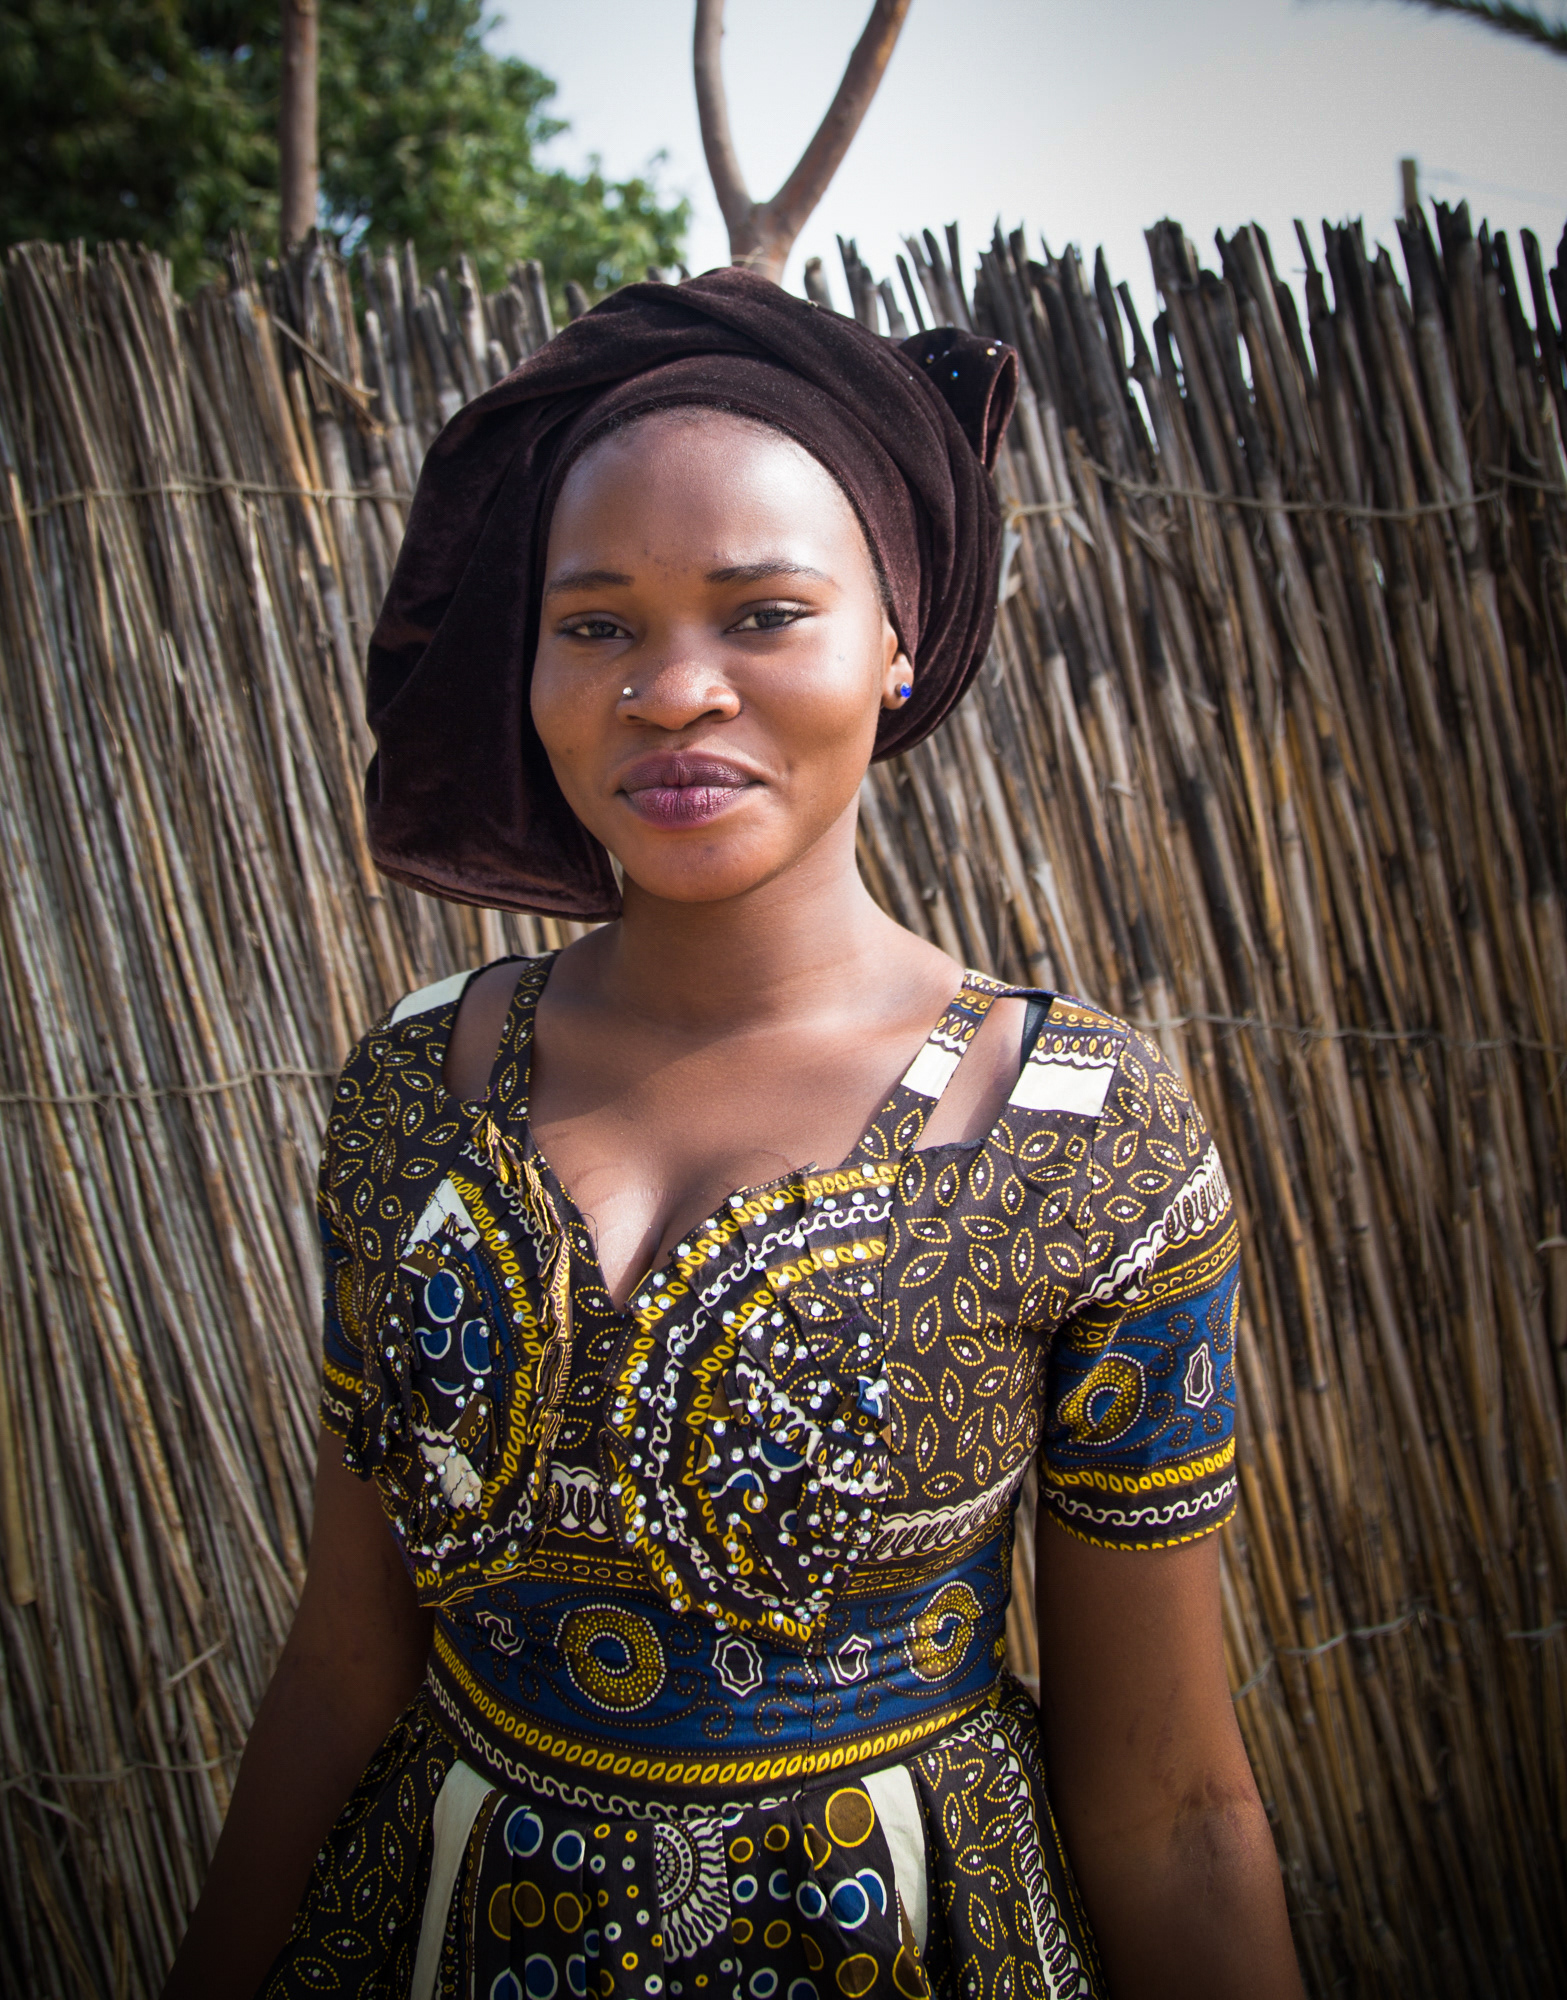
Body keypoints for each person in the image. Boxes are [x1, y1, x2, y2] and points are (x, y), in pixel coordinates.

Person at [163, 269, 1303, 2000]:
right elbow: (340, 1666)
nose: (672, 690)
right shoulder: (415, 1089)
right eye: (595, 625)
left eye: (764, 613)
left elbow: (1174, 1809)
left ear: (899, 639)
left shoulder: (1078, 1137)